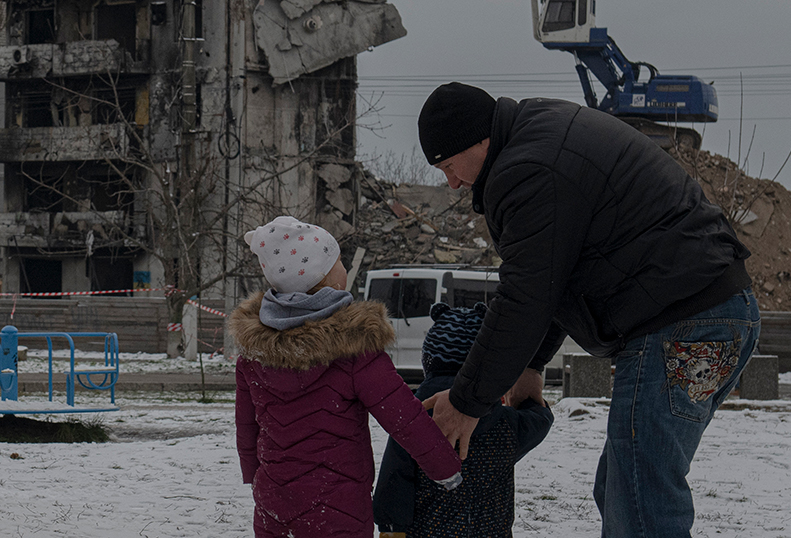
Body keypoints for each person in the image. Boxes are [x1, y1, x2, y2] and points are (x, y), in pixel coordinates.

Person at [416, 82, 761, 538]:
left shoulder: (526, 169)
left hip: (682, 323)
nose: (453, 182)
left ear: (478, 140)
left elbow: (527, 294)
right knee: (625, 488)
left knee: (640, 506)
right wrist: (532, 364)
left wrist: (465, 403)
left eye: (448, 165)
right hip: (712, 312)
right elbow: (561, 273)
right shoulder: (540, 132)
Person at [229, 216, 462, 538]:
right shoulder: (354, 349)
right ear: (327, 278)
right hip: (340, 504)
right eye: (338, 261)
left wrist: (252, 472)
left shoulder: (254, 353)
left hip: (273, 501)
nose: (344, 268)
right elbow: (403, 416)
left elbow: (247, 422)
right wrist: (444, 467)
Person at [373, 301, 553, 538]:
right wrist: (529, 401)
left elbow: (395, 478)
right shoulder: (506, 423)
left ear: (429, 362)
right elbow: (539, 421)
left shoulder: (414, 417)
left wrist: (392, 528)